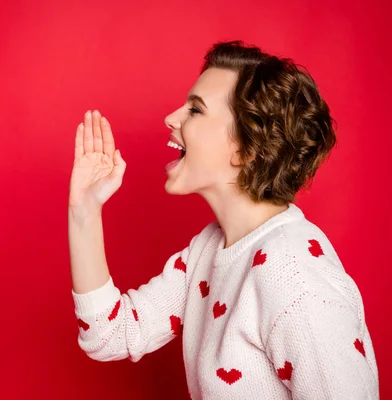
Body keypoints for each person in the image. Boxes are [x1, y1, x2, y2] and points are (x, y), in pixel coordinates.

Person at [67, 40, 379, 399]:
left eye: (195, 110)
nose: (172, 118)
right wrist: (84, 210)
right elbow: (109, 334)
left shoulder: (294, 276)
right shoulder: (209, 250)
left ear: (246, 148)